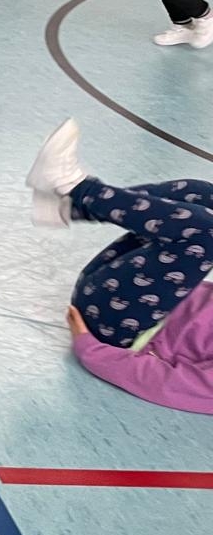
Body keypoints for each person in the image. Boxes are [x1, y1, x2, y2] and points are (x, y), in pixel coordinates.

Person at [26, 118, 213, 414]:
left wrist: (91, 350)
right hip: (133, 291)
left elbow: (170, 385)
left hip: (120, 327)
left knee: (205, 233)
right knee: (204, 194)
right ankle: (64, 207)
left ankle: (75, 186)